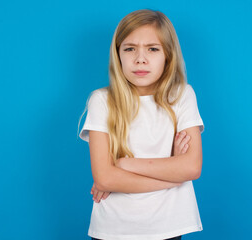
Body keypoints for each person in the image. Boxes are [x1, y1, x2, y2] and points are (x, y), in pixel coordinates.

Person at [79, 9, 205, 240]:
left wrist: (125, 165)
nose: (140, 59)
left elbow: (191, 168)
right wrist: (174, 175)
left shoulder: (182, 96)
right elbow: (105, 179)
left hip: (168, 226)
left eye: (153, 49)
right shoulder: (102, 100)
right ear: (118, 54)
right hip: (112, 229)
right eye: (130, 49)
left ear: (168, 55)